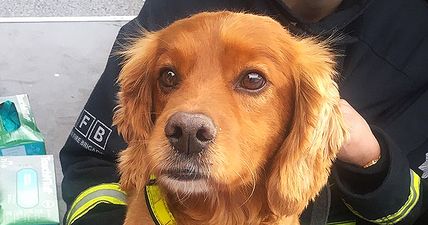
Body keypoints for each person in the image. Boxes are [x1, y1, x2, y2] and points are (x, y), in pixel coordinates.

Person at [60, 0, 428, 224]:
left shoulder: (416, 31)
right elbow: (89, 164)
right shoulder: (170, 12)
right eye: (170, 77)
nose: (188, 119)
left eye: (253, 80)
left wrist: (375, 165)